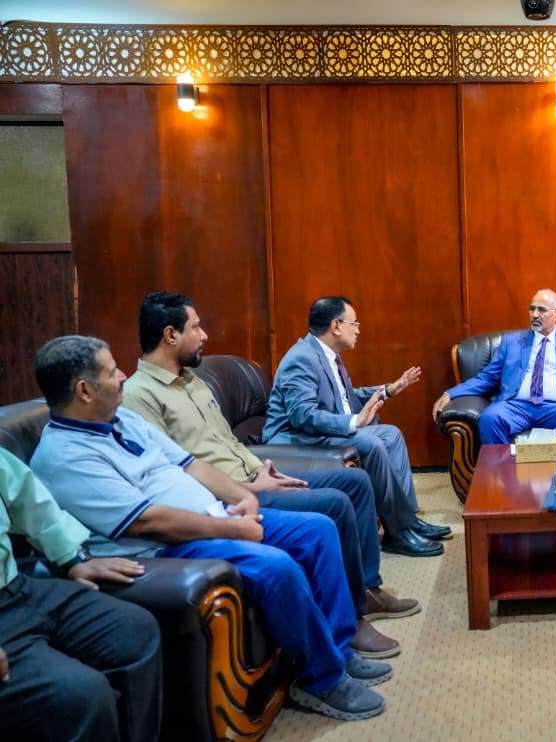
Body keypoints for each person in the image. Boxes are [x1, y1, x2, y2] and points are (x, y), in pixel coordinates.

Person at [30, 335, 392, 721]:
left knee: (317, 530)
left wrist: (243, 496)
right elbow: (147, 521)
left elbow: (191, 464)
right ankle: (322, 680)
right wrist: (233, 529)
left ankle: (339, 649)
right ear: (84, 390)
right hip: (165, 547)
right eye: (112, 371)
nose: (122, 376)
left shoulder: (122, 419)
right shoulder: (64, 457)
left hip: (217, 516)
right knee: (276, 567)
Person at [122, 292, 417, 646]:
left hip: (255, 475)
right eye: (196, 328)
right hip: (228, 498)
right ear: (170, 335)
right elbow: (170, 473)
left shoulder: (193, 381)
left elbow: (228, 442)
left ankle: (368, 587)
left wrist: (262, 469)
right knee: (336, 504)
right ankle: (352, 618)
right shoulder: (139, 396)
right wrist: (248, 489)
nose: (204, 335)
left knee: (354, 481)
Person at [263, 296, 450, 558]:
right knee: (369, 442)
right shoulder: (302, 358)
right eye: (355, 323)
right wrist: (354, 422)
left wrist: (388, 390)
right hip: (295, 439)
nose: (359, 330)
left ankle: (406, 519)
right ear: (336, 326)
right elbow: (302, 416)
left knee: (391, 434)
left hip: (316, 431)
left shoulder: (328, 354)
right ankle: (397, 532)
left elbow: (346, 398)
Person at [0, 446, 162, 742]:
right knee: (81, 694)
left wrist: (72, 558)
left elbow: (27, 497)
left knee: (134, 629)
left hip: (15, 585)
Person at [431, 289, 556, 443]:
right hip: (517, 406)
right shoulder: (511, 342)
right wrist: (451, 393)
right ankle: (503, 478)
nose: (534, 314)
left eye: (541, 310)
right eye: (532, 308)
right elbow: (487, 377)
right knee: (490, 418)